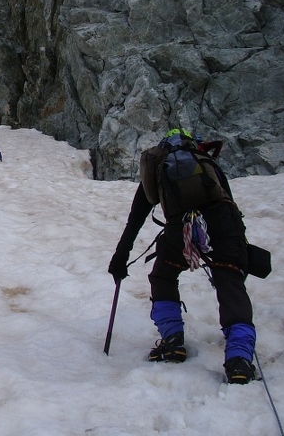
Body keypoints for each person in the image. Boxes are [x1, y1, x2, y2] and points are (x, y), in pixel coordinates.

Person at [108, 128, 257, 385]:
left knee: (163, 276)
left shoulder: (158, 168)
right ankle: (239, 360)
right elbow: (228, 202)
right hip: (224, 223)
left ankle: (173, 342)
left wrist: (120, 259)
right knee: (229, 281)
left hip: (181, 230)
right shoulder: (206, 163)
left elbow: (135, 220)